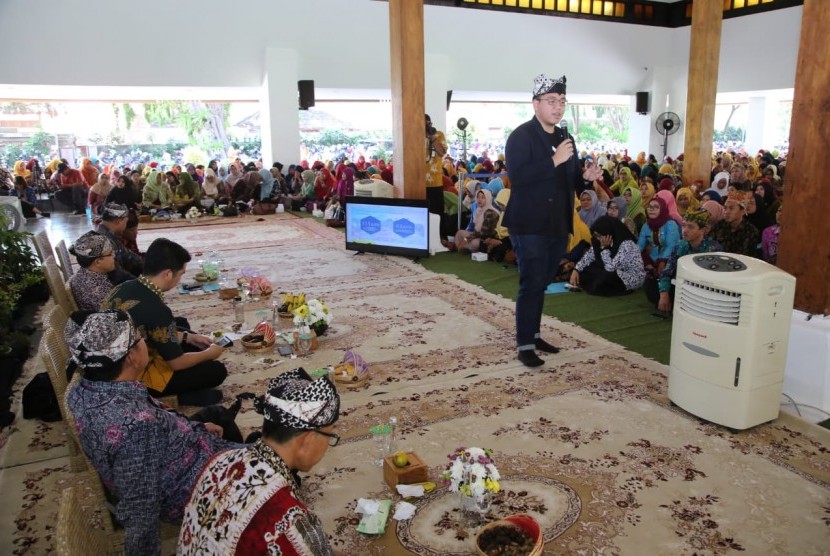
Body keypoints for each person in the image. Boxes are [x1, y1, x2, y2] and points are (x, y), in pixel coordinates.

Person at [64, 310, 240, 556]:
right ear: (132, 358)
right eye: (139, 339)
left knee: (218, 415)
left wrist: (195, 428)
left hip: (175, 452)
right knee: (280, 458)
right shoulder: (135, 427)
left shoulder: (86, 389)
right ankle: (241, 511)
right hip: (190, 489)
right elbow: (140, 510)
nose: (145, 342)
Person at [178, 368, 340, 555]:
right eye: (330, 434)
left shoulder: (220, 460)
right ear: (307, 440)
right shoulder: (287, 522)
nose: (329, 442)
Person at [502, 74, 602, 367]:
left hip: (558, 223)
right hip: (529, 223)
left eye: (561, 102)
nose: (558, 108)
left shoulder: (564, 137)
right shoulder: (521, 136)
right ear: (536, 105)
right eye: (551, 101)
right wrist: (553, 161)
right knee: (531, 282)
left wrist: (585, 179)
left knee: (543, 281)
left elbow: (571, 179)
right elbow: (517, 179)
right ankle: (525, 345)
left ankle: (533, 333)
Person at [101, 237, 228, 405]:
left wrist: (188, 337)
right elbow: (177, 363)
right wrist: (209, 354)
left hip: (106, 365)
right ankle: (176, 398)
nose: (180, 280)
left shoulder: (125, 286)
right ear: (168, 274)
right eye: (181, 274)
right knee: (215, 371)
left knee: (186, 333)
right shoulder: (156, 308)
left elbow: (153, 329)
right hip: (129, 379)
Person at [648, 209, 723, 312]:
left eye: (690, 227)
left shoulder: (713, 250)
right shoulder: (680, 245)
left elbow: (710, 283)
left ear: (704, 230)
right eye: (683, 225)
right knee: (649, 283)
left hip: (700, 292)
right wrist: (664, 294)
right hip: (681, 288)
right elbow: (667, 272)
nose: (685, 230)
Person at [569, 215, 645, 296]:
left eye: (599, 235)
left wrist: (604, 249)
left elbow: (610, 268)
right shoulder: (600, 240)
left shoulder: (627, 244)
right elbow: (588, 256)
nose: (598, 238)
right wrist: (576, 270)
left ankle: (606, 287)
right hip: (611, 271)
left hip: (628, 276)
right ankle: (598, 285)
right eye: (596, 235)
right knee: (586, 269)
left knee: (606, 276)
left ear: (609, 232)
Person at [68, 231, 119, 310]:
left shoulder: (87, 272)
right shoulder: (96, 291)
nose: (114, 256)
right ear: (98, 262)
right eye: (110, 254)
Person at [96, 203, 144, 279]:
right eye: (126, 221)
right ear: (118, 221)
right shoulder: (106, 240)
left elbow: (129, 256)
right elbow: (117, 274)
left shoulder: (107, 233)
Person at [709, 191, 760, 258]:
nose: (727, 212)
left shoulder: (750, 231)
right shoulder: (719, 226)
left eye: (731, 208)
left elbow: (746, 257)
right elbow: (710, 247)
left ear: (742, 211)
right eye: (725, 208)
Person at [425, 114, 447, 216]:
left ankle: (439, 233)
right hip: (418, 184)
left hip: (435, 183)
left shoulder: (438, 135)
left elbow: (442, 153)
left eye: (427, 123)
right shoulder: (415, 137)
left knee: (437, 213)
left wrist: (433, 139)